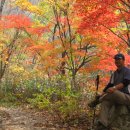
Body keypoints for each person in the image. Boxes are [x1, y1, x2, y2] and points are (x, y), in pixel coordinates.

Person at [88, 53, 130, 130]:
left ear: (123, 60)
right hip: (116, 97)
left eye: (119, 59)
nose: (117, 61)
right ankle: (103, 124)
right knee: (105, 102)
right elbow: (109, 86)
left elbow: (126, 82)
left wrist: (114, 88)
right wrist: (101, 94)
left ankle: (98, 101)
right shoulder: (114, 73)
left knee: (113, 92)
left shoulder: (128, 71)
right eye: (116, 59)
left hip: (127, 97)